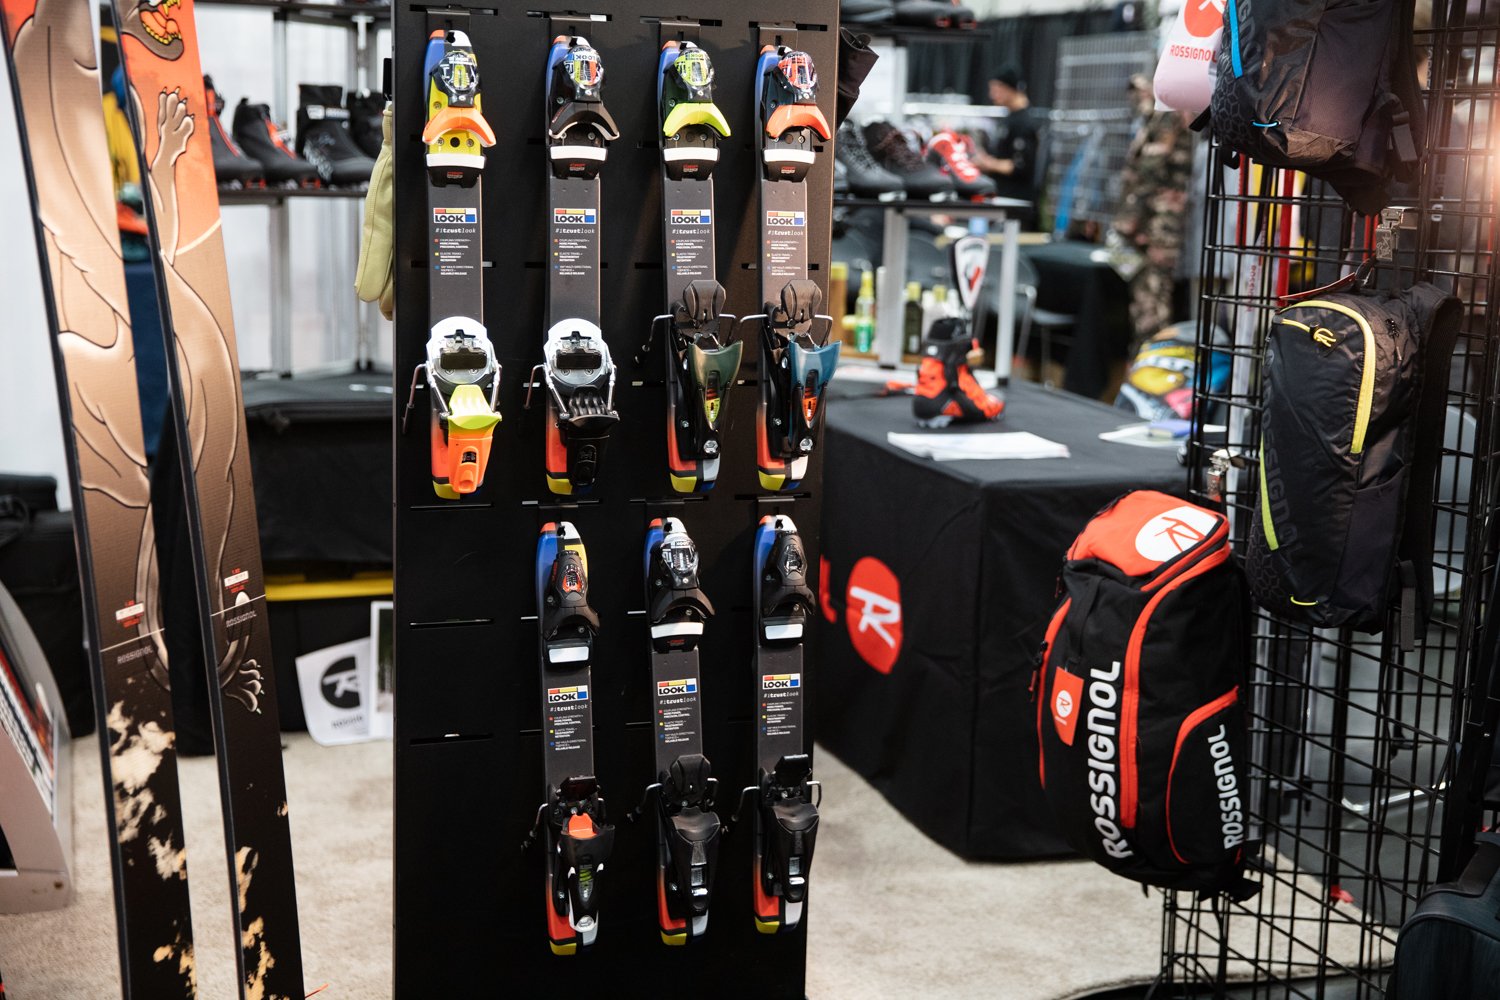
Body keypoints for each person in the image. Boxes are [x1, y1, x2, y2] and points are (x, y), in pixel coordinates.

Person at [1111, 74, 1194, 352]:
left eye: (1140, 93)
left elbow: (1150, 171)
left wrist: (1130, 221)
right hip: (1152, 224)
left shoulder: (1167, 116)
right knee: (1146, 296)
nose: (1136, 100)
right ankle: (1146, 356)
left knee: (1153, 297)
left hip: (1159, 226)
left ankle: (1152, 357)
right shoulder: (1155, 119)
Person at [970, 67, 1043, 225]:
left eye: (996, 89)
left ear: (1009, 88)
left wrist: (988, 163)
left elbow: (1021, 166)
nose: (992, 95)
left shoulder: (1025, 123)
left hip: (1016, 203)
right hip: (1002, 198)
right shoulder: (1008, 118)